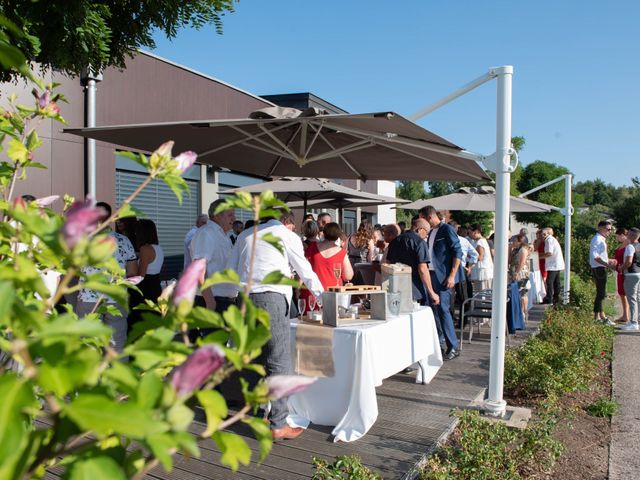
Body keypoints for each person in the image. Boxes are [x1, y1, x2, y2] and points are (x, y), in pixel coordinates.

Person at [227, 211, 324, 441]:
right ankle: (278, 424)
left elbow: (231, 270)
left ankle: (256, 415)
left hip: (244, 298)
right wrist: (323, 299)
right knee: (278, 359)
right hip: (270, 298)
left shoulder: (245, 235)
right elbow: (305, 271)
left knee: (252, 358)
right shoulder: (285, 234)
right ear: (287, 222)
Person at [76, 202, 137, 354]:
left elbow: (73, 269)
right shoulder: (124, 241)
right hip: (116, 298)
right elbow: (132, 272)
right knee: (117, 344)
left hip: (88, 299)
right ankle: (117, 376)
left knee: (88, 345)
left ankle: (89, 377)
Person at [419, 206, 462, 360]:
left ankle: (453, 346)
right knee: (434, 309)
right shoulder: (430, 231)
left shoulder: (447, 229)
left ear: (429, 217)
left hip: (443, 276)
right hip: (431, 274)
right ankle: (439, 341)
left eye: (421, 219)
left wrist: (452, 275)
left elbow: (458, 252)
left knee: (443, 309)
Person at [190, 199, 236, 314]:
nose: (234, 219)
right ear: (217, 215)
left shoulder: (223, 235)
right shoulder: (206, 233)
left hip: (224, 301)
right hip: (213, 301)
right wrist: (210, 302)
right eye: (230, 215)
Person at [300, 222, 353, 312]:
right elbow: (348, 276)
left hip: (312, 292)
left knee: (309, 322)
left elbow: (303, 266)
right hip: (332, 293)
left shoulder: (312, 247)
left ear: (324, 233)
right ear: (338, 235)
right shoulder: (341, 252)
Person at [386, 218, 439, 307]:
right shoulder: (420, 243)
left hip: (395, 287)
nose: (427, 236)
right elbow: (423, 269)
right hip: (414, 289)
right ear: (420, 229)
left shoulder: (394, 241)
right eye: (427, 232)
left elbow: (387, 264)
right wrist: (432, 293)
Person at [129, 219, 164, 328]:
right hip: (155, 285)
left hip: (145, 288)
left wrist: (123, 280)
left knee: (138, 320)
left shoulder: (145, 249)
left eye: (136, 231)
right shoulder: (158, 248)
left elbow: (140, 276)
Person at [589, 221, 615, 322]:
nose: (609, 231)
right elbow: (595, 256)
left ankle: (600, 315)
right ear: (600, 228)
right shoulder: (597, 239)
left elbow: (601, 256)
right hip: (598, 268)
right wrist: (607, 264)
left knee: (602, 292)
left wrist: (609, 260)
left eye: (610, 229)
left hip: (600, 267)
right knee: (601, 293)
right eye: (607, 229)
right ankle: (597, 316)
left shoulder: (600, 239)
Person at [620, 228, 640, 331]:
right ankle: (637, 320)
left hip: (631, 274)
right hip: (639, 273)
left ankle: (633, 322)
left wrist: (621, 267)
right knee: (638, 298)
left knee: (632, 298)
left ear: (632, 236)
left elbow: (628, 262)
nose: (627, 236)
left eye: (628, 234)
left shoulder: (630, 247)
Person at [541, 227, 566, 306]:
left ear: (548, 233)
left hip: (553, 264)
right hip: (556, 264)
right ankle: (556, 299)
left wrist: (539, 256)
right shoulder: (551, 239)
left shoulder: (549, 240)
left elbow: (549, 253)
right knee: (556, 282)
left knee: (550, 281)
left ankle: (549, 298)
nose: (543, 235)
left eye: (544, 234)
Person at [509, 233, 531, 320]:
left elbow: (522, 262)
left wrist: (517, 273)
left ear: (519, 241)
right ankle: (520, 312)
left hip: (521, 274)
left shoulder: (523, 250)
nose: (512, 242)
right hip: (514, 272)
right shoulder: (515, 250)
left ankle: (523, 312)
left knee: (522, 293)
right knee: (518, 292)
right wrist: (510, 250)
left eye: (514, 240)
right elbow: (510, 261)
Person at [468, 224, 494, 293]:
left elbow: (480, 257)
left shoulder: (480, 242)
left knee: (482, 290)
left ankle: (481, 303)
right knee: (480, 290)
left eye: (470, 233)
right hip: (481, 269)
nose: (469, 235)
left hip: (482, 270)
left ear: (475, 232)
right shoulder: (480, 241)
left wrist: (470, 260)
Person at [614, 227, 630, 323]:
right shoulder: (622, 245)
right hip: (620, 271)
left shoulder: (629, 245)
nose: (616, 238)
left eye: (617, 236)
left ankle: (627, 316)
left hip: (625, 272)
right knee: (622, 294)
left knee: (626, 294)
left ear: (622, 235)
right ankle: (625, 314)